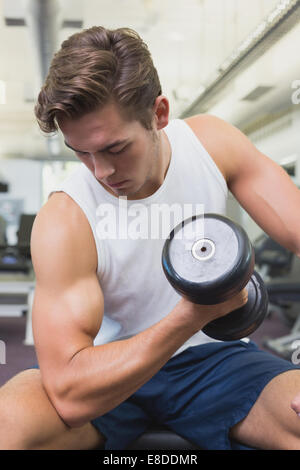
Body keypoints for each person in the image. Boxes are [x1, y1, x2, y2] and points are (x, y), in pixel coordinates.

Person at [1, 25, 300, 451]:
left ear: (159, 114)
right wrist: (192, 315)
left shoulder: (211, 144)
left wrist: (198, 325)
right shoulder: (66, 217)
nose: (100, 171)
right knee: (7, 427)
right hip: (106, 368)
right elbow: (69, 394)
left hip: (216, 360)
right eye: (80, 152)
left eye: (115, 148)